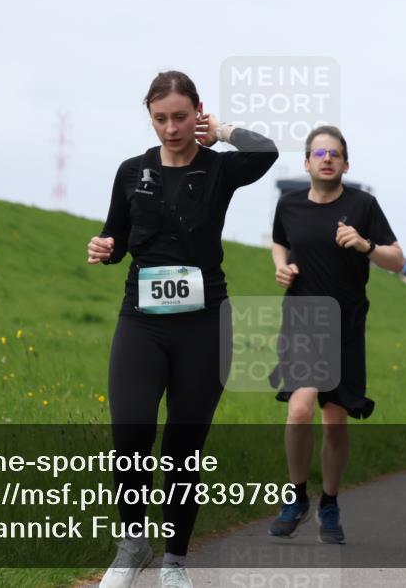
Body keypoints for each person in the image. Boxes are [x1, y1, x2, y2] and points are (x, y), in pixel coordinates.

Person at [88, 71, 278, 588]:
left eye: (180, 116)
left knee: (183, 446)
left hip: (204, 324)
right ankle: (133, 544)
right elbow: (117, 236)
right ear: (149, 118)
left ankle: (175, 561)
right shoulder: (131, 172)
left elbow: (267, 152)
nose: (171, 128)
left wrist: (224, 131)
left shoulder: (218, 169)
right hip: (141, 322)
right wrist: (104, 248)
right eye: (160, 118)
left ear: (197, 111)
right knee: (130, 432)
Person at [267, 125, 403, 544]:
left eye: (335, 153)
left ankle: (329, 500)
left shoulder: (363, 206)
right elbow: (278, 242)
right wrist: (282, 266)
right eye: (319, 152)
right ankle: (295, 496)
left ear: (346, 163)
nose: (327, 159)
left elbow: (396, 260)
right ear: (306, 162)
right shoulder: (289, 205)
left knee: (335, 422)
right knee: (300, 409)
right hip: (304, 320)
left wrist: (365, 246)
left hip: (346, 323)